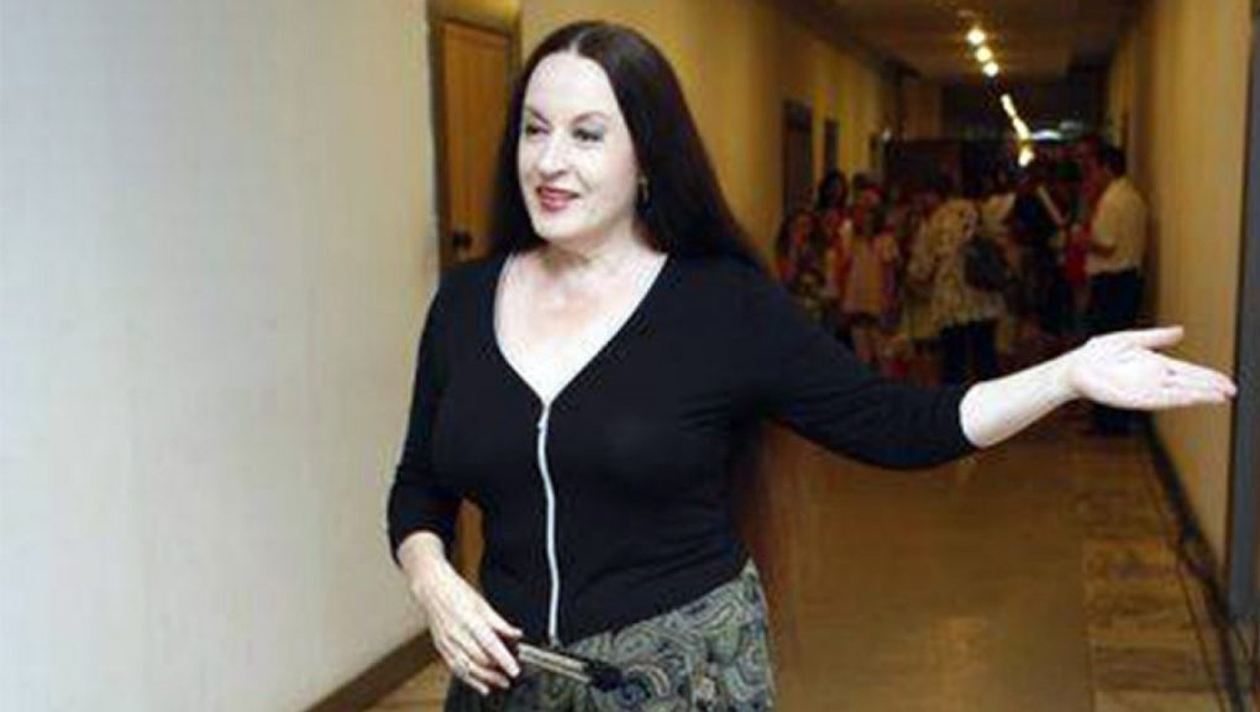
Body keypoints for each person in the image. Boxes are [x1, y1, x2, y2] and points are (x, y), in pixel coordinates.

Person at [386, 21, 1235, 711]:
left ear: (647, 157)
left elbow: (899, 425)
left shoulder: (721, 305)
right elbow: (419, 483)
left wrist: (1066, 375)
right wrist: (432, 580)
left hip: (681, 680)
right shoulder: (465, 303)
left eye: (586, 134)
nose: (548, 161)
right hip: (506, 684)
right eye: (534, 129)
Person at [1076, 143, 1149, 435]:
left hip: (1111, 284)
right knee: (1119, 352)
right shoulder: (1133, 196)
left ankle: (1107, 422)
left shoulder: (1112, 200)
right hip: (1128, 281)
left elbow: (1106, 245)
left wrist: (1081, 239)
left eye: (1093, 167)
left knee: (1105, 354)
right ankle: (1115, 419)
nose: (1090, 174)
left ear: (1106, 168)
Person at [907, 172, 1004, 385]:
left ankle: (957, 403)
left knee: (954, 362)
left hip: (951, 302)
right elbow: (999, 238)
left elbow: (921, 267)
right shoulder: (977, 210)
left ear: (933, 194)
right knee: (985, 358)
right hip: (984, 295)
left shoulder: (934, 221)